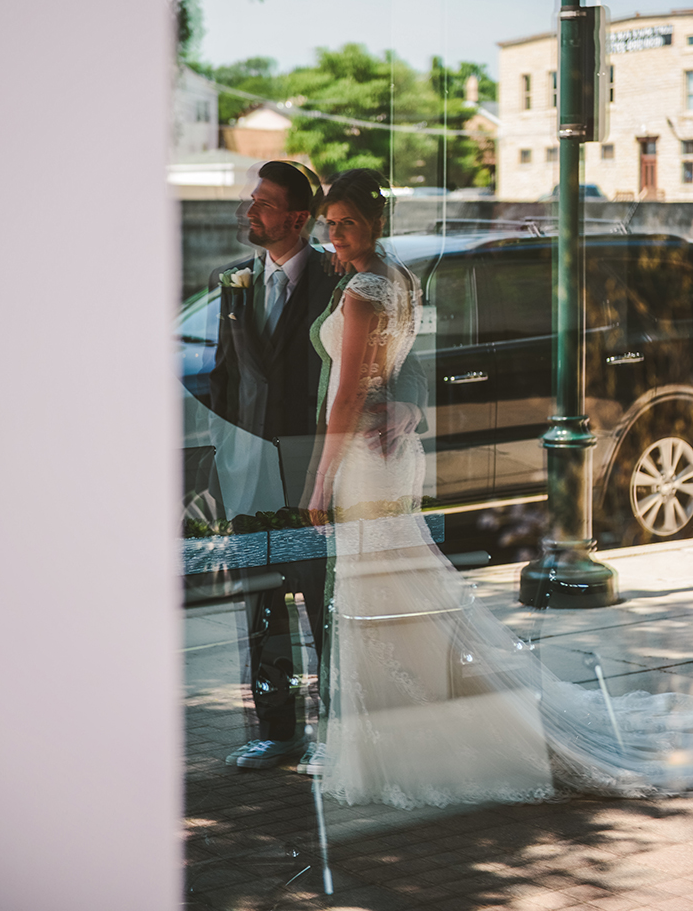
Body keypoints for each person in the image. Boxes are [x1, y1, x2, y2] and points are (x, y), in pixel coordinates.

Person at [309, 168, 693, 808]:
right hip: (393, 452)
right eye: (330, 222)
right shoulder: (400, 280)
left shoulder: (362, 292)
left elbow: (350, 393)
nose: (335, 233)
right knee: (402, 587)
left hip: (365, 458)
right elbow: (393, 372)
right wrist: (403, 409)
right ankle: (417, 725)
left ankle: (416, 742)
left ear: (374, 223)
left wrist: (320, 479)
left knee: (382, 591)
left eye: (345, 221)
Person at [209, 160, 427, 771]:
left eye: (263, 202)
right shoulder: (232, 280)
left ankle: (341, 731)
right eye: (250, 201)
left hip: (325, 465)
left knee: (330, 604)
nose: (248, 212)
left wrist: (410, 403)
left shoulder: (346, 278)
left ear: (296, 217)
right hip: (253, 474)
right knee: (262, 608)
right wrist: (222, 457)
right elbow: (226, 380)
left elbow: (394, 356)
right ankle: (279, 732)